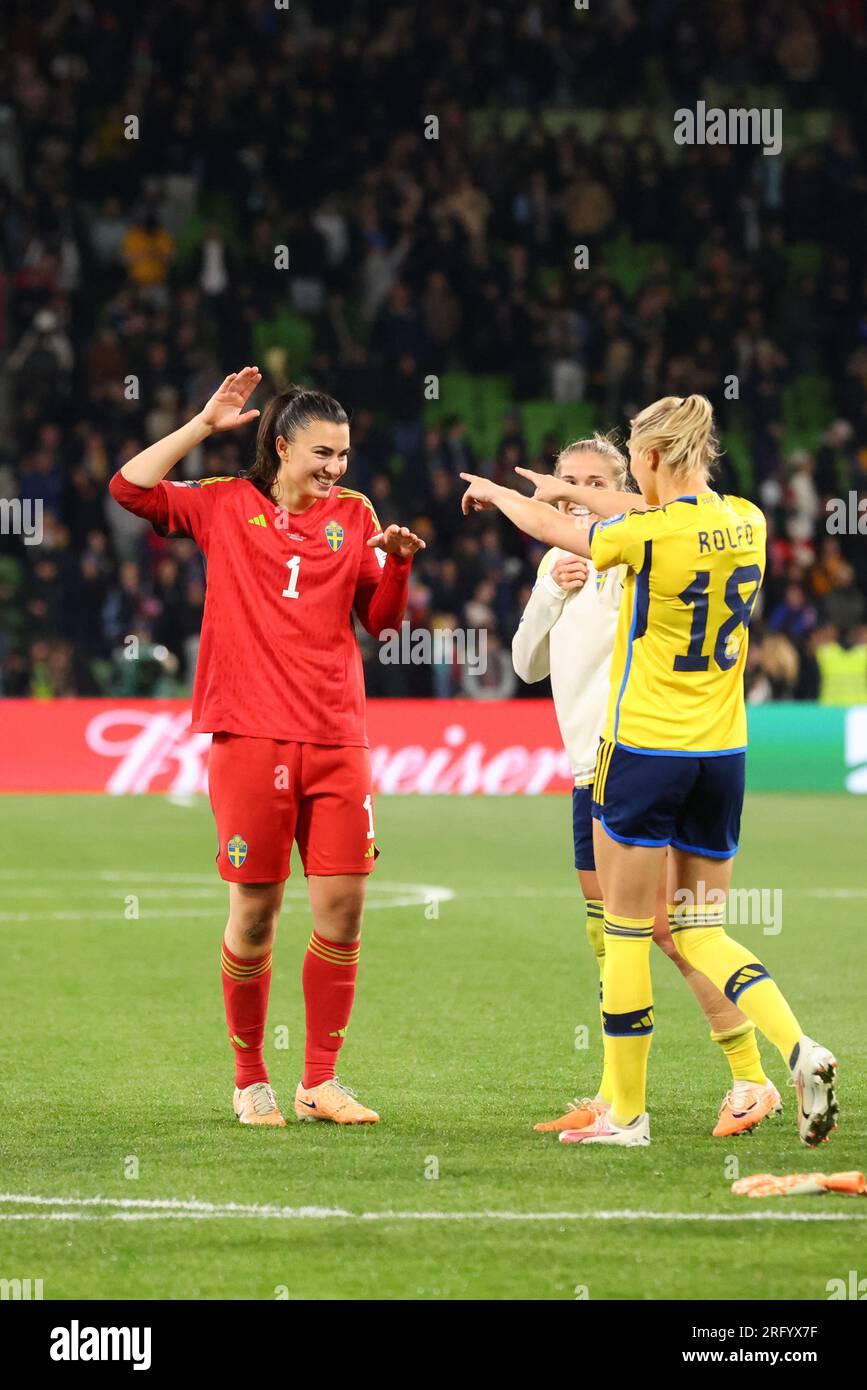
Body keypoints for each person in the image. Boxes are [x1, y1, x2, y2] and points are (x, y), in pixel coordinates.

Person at [461, 394, 838, 1148]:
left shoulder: (638, 538)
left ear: (651, 460)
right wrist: (575, 491)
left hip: (639, 752)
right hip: (722, 754)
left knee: (629, 932)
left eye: (630, 463)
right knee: (701, 930)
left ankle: (628, 1115)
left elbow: (562, 527)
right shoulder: (746, 521)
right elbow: (645, 508)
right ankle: (797, 1049)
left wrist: (500, 492)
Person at [109, 368, 424, 1127]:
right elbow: (128, 487)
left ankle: (319, 1082)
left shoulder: (355, 514)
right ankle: (250, 1080)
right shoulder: (223, 503)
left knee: (342, 909)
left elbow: (381, 623)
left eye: (344, 455)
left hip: (337, 735)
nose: (335, 468)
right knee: (255, 913)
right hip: (249, 736)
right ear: (280, 448)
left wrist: (400, 563)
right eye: (322, 453)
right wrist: (201, 426)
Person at [511, 435, 778, 1139]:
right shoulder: (560, 562)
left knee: (668, 931)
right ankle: (614, 1094)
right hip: (583, 769)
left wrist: (559, 519)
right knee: (611, 938)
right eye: (562, 479)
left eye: (589, 481)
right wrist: (547, 590)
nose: (569, 490)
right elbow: (525, 665)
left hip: (638, 759)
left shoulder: (641, 551)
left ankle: (749, 1077)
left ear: (624, 486)